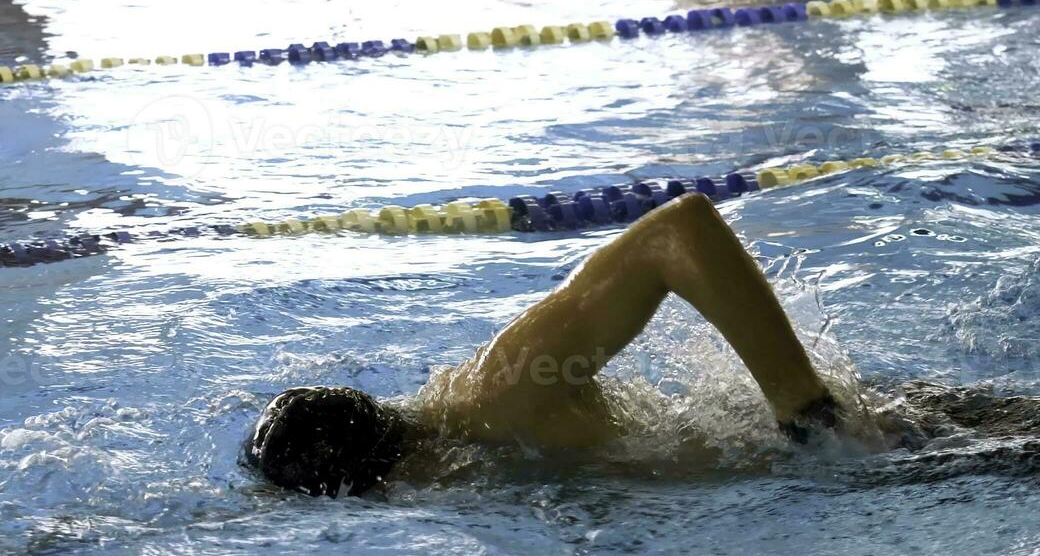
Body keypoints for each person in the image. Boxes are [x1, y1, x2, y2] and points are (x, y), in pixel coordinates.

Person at [243, 192, 844, 497]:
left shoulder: (498, 395)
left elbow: (676, 231)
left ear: (385, 483)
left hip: (884, 453)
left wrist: (807, 415)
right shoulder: (467, 445)